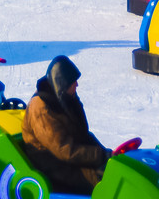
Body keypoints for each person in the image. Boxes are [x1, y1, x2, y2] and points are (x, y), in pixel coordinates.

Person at [20, 56, 113, 196]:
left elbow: (82, 132)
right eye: (73, 82)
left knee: (111, 170)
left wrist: (107, 155)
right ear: (61, 83)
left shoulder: (64, 97)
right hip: (50, 162)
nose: (77, 85)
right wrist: (101, 156)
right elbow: (64, 150)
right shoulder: (40, 108)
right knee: (100, 180)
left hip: (67, 157)